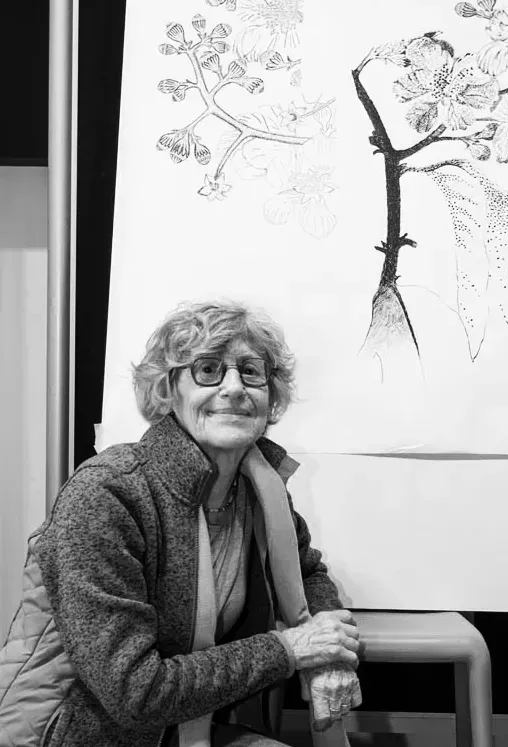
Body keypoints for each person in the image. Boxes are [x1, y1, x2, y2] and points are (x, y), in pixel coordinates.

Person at [0, 301, 362, 747]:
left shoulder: (259, 485)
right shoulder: (108, 494)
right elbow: (136, 692)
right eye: (208, 369)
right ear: (168, 389)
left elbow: (307, 573)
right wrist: (293, 649)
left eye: (252, 371)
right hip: (94, 735)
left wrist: (329, 654)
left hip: (195, 726)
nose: (234, 388)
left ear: (271, 395)